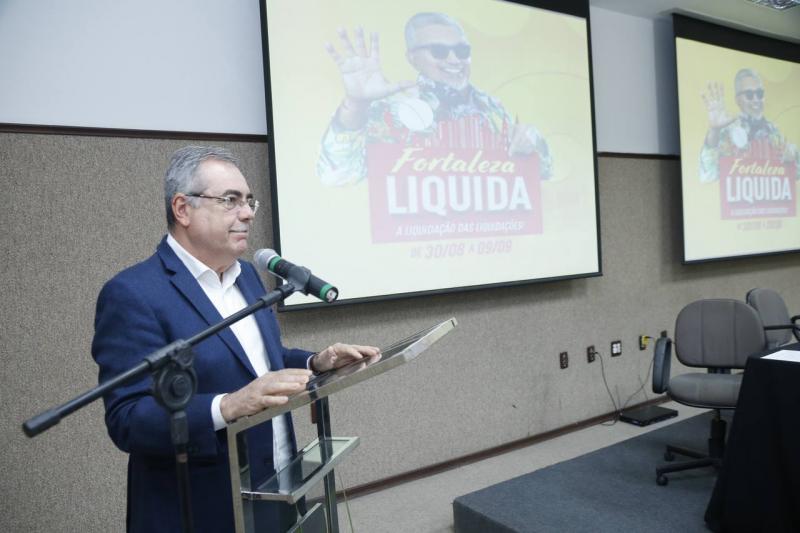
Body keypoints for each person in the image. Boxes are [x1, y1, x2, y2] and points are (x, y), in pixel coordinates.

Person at [92, 146, 379, 533]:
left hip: (277, 490)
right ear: (183, 209)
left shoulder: (246, 276)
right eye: (230, 200)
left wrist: (314, 362)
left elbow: (257, 362)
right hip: (202, 509)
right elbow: (127, 419)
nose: (247, 213)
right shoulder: (134, 293)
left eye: (248, 201)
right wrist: (226, 406)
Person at [317, 12, 552, 186]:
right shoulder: (391, 112)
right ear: (412, 58)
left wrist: (535, 145)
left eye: (462, 51)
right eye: (439, 51)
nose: (454, 60)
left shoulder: (492, 109)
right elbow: (335, 176)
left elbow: (539, 175)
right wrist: (355, 104)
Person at [699, 68, 799, 183]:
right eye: (749, 94)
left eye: (760, 93)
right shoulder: (728, 132)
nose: (756, 99)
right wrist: (714, 130)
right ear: (738, 100)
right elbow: (708, 175)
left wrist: (793, 159)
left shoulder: (774, 133)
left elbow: (795, 174)